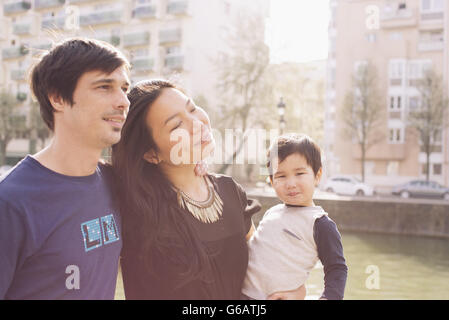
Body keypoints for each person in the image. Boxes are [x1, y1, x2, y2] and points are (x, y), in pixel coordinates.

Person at [112, 79, 272, 299]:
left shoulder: (230, 191)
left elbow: (260, 271)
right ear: (150, 153)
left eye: (192, 108)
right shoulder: (136, 213)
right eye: (176, 125)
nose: (197, 124)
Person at [0, 38, 131, 299]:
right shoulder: (11, 202)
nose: (123, 101)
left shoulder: (114, 182)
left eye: (125, 89)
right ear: (57, 97)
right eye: (105, 87)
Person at [242, 133, 348, 300]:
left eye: (299, 174)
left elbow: (336, 268)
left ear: (317, 175)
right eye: (281, 176)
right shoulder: (272, 212)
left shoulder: (319, 223)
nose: (290, 183)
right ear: (271, 180)